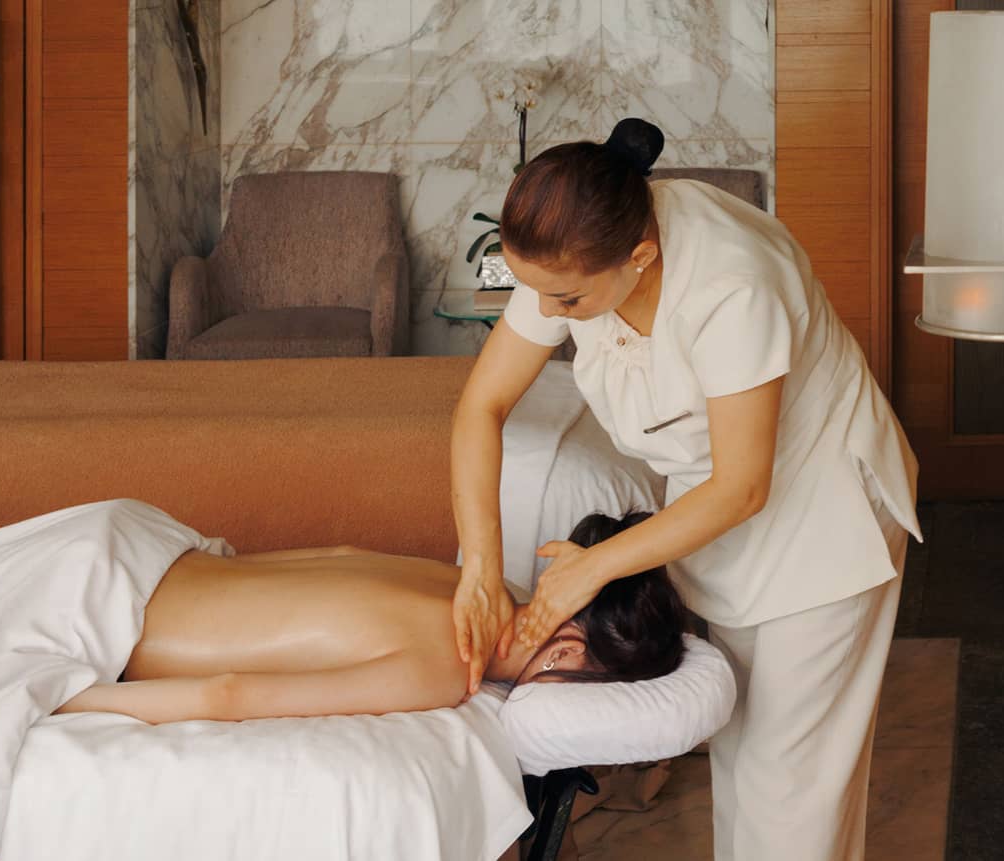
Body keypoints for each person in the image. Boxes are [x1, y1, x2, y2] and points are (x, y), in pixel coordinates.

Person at [449, 117, 921, 860]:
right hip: (723, 519)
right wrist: (479, 565)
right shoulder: (570, 248)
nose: (545, 313)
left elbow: (742, 487)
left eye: (564, 301)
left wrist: (593, 567)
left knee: (789, 791)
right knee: (744, 759)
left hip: (823, 519)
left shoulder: (731, 286)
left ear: (639, 258)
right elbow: (482, 405)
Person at [57, 512, 686, 726]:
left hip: (130, 542)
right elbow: (229, 694)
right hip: (100, 616)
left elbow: (339, 554)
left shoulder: (480, 583)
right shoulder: (449, 667)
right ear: (569, 652)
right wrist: (64, 701)